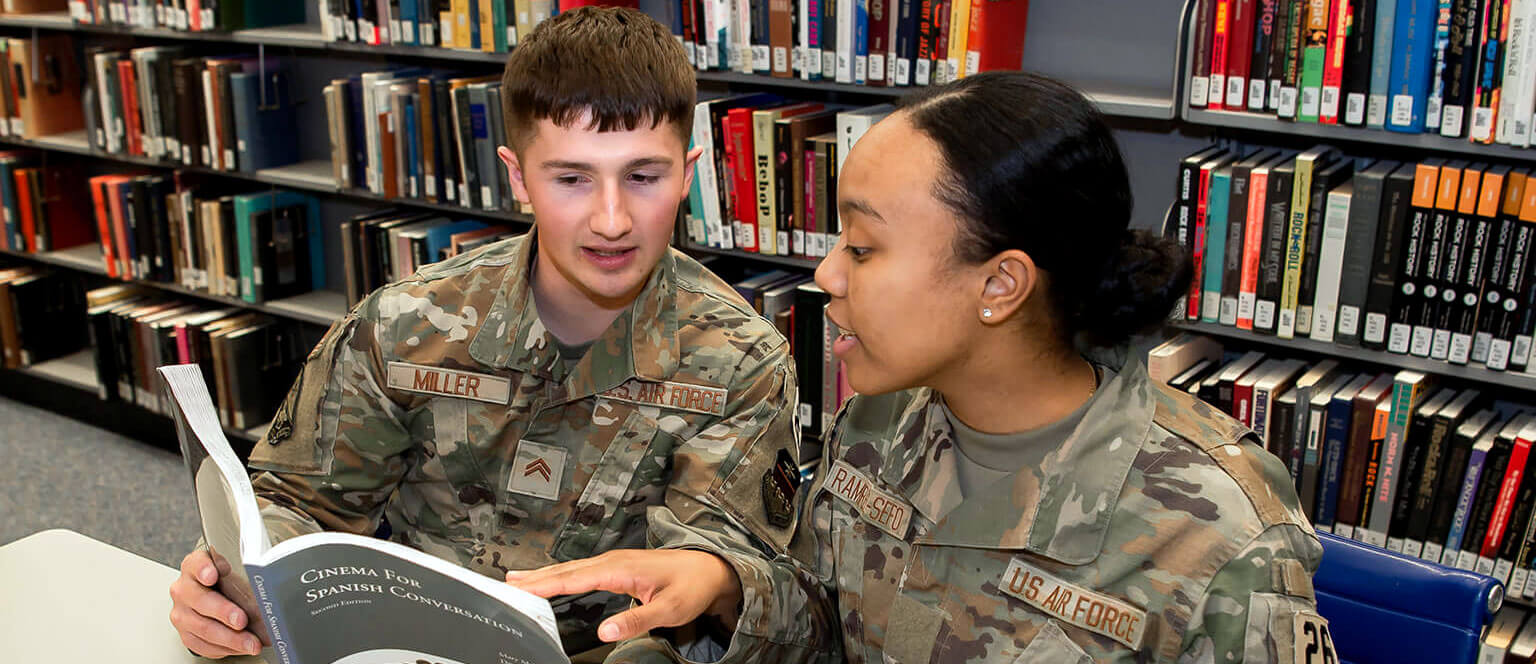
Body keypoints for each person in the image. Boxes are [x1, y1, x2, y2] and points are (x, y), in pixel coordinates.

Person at [507, 71, 1336, 663]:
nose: (827, 275)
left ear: (1000, 283)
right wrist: (725, 584)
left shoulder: (1217, 537)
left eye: (863, 248)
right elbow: (831, 626)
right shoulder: (883, 420)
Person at [167, 7, 802, 660]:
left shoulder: (739, 360)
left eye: (643, 176)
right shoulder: (404, 324)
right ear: (517, 176)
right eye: (572, 178)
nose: (612, 219)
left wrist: (721, 580)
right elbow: (294, 505)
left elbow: (764, 582)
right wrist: (224, 588)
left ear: (689, 173)